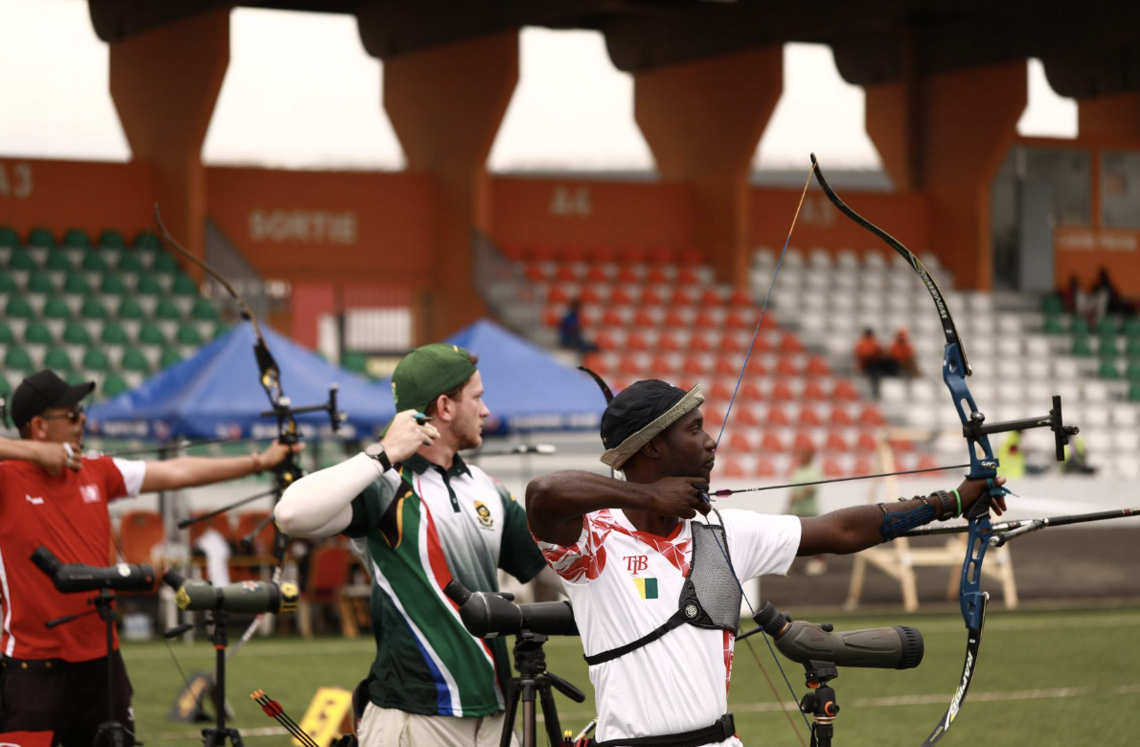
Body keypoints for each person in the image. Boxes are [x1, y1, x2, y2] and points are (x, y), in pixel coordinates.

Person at [525, 379, 1006, 747]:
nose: (711, 442)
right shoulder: (592, 542)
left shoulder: (721, 532)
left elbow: (840, 530)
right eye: (695, 430)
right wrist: (647, 495)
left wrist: (950, 501)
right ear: (652, 447)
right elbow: (544, 494)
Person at [0, 369, 301, 746]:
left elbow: (176, 471)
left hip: (102, 665)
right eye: (72, 414)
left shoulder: (95, 470)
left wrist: (260, 461)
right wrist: (32, 453)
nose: (83, 421)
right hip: (34, 670)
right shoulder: (6, 479)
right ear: (40, 427)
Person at [275, 343, 548, 747]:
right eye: (477, 397)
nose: (486, 410)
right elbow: (290, 514)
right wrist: (382, 454)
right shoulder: (384, 484)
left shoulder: (487, 489)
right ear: (445, 406)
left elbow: (561, 571)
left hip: (495, 710)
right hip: (413, 713)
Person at [786, 446, 825, 576]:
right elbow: (793, 489)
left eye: (803, 456)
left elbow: (811, 490)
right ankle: (786, 562)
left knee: (816, 537)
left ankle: (818, 562)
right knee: (793, 537)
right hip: (797, 510)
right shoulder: (797, 470)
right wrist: (790, 503)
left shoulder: (813, 471)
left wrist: (797, 498)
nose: (800, 458)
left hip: (810, 510)